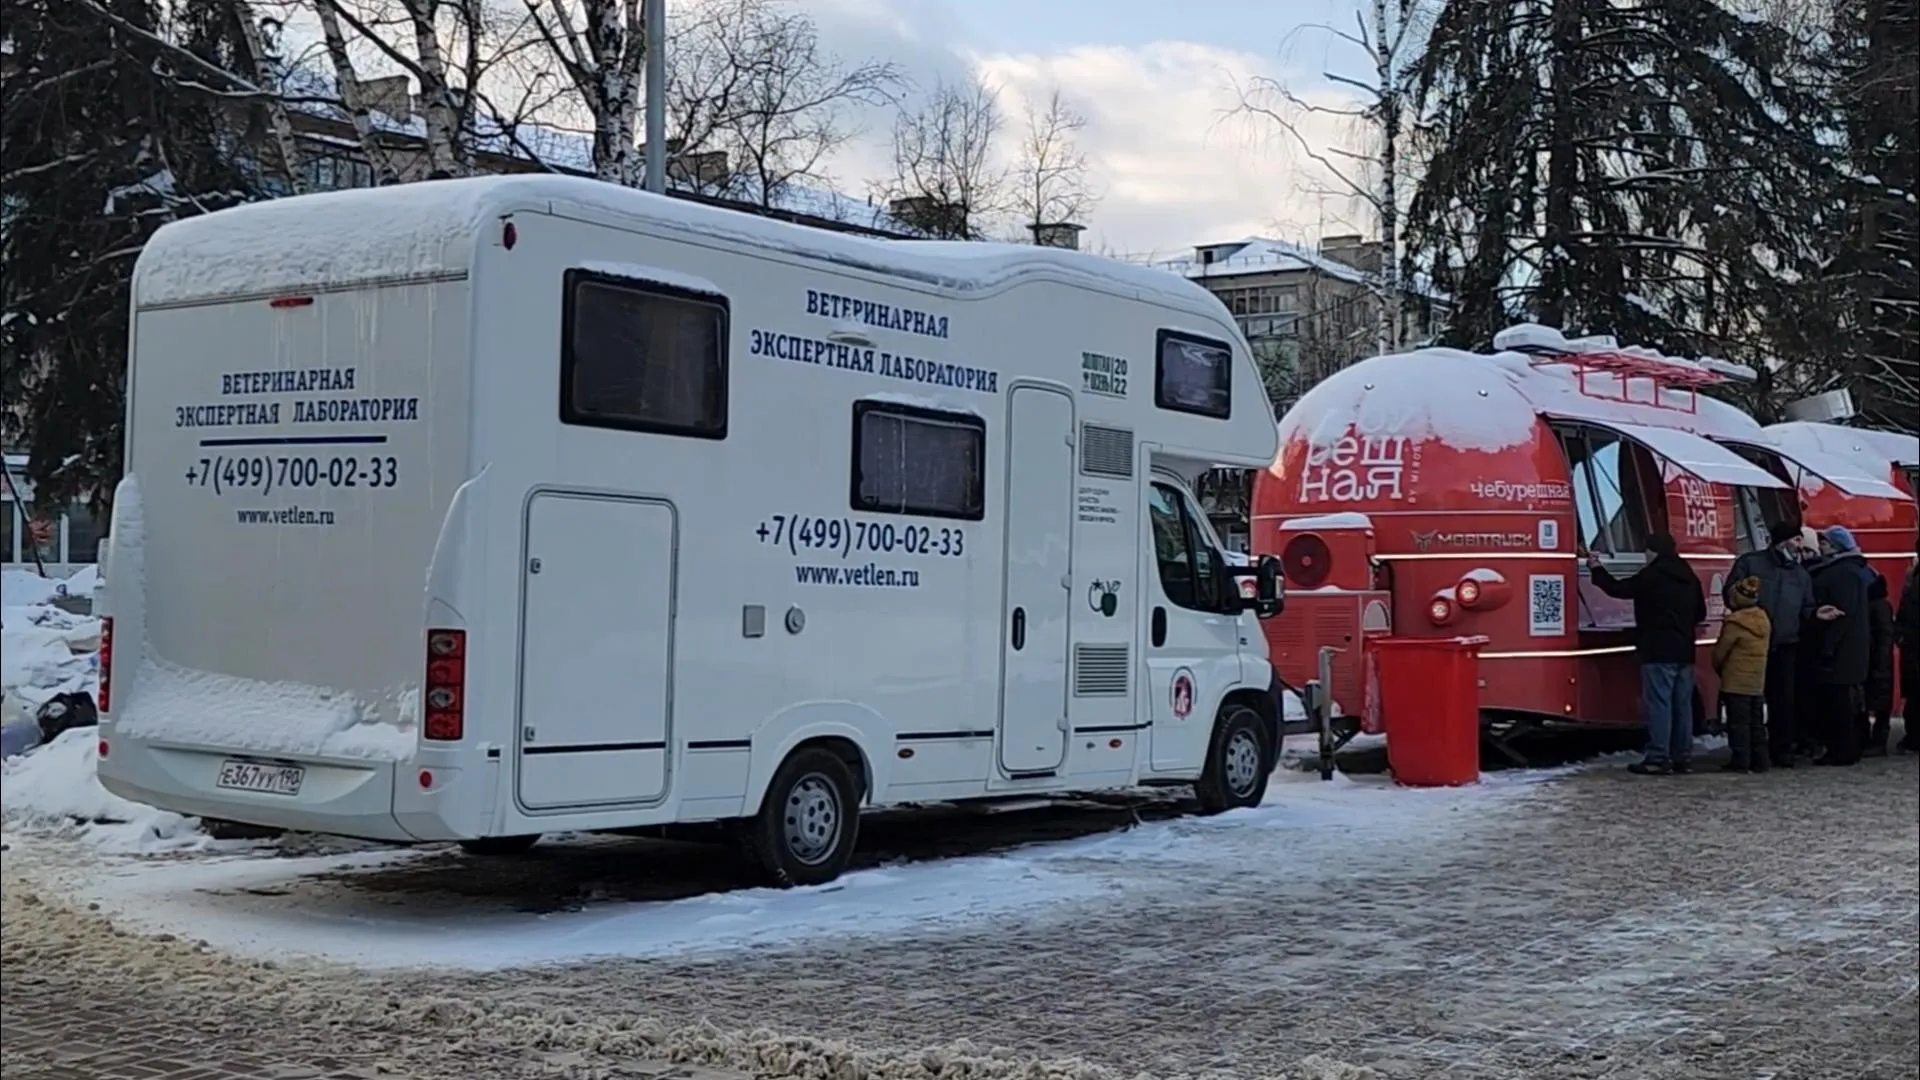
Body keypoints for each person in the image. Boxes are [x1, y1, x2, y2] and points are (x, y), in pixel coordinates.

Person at [1587, 532, 1707, 775]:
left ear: (1653, 551)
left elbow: (1618, 589)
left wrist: (1596, 568)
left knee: (1660, 704)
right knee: (1682, 706)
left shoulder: (1653, 575)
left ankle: (1658, 757)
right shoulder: (1688, 576)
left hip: (1658, 650)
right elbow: (1701, 614)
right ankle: (1682, 757)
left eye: (1646, 552)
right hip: (1685, 652)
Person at [1726, 520, 1815, 769]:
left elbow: (1806, 607)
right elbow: (1731, 594)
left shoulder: (1800, 574)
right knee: (1748, 701)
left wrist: (1816, 614)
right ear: (1781, 541)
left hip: (1786, 643)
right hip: (1751, 645)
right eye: (1796, 540)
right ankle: (1749, 754)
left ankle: (1781, 751)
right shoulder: (1750, 563)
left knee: (1783, 701)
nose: (1800, 546)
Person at [1806, 525, 1875, 766]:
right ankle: (1847, 747)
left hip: (1840, 651)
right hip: (1850, 649)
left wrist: (1828, 646)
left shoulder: (1841, 573)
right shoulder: (1853, 571)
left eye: (1825, 543)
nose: (1820, 547)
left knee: (1839, 703)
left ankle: (1842, 750)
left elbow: (1842, 615)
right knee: (1846, 701)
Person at [1712, 575, 1772, 772]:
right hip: (1756, 681)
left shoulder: (1735, 624)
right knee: (1756, 723)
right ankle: (1760, 761)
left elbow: (1721, 653)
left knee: (1738, 724)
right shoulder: (1764, 620)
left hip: (1736, 681)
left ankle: (1741, 761)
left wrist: (1719, 668)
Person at [1863, 571, 1896, 756]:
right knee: (1879, 702)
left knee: (1878, 703)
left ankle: (1877, 742)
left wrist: (1881, 666)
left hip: (1877, 662)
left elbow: (1884, 636)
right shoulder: (1882, 605)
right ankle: (1876, 740)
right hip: (1880, 662)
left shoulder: (1877, 606)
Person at [1897, 546, 1918, 754]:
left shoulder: (1912, 579)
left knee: (1914, 696)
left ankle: (1914, 738)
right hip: (1912, 646)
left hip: (1913, 646)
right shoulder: (1912, 578)